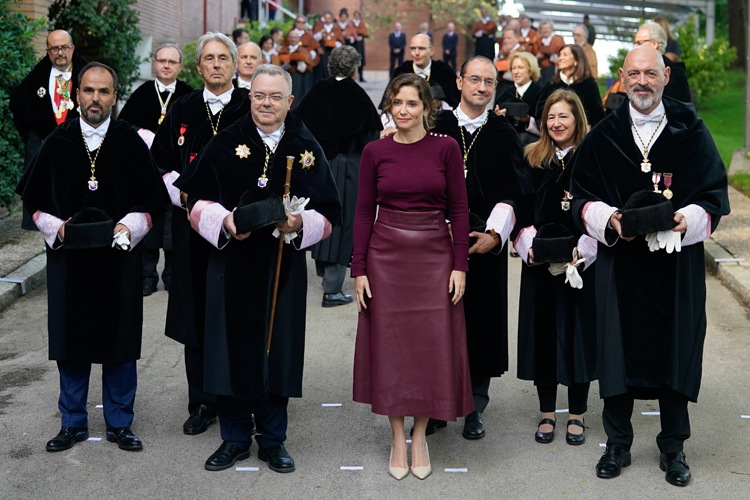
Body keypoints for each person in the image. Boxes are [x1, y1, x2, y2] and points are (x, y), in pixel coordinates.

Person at [568, 45, 730, 487]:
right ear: (622, 77)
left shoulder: (690, 130)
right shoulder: (604, 134)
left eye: (650, 74)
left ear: (666, 76)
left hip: (676, 268)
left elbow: (714, 196)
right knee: (616, 351)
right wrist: (611, 218)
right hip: (622, 266)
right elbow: (579, 196)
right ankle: (617, 444)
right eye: (634, 74)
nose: (642, 82)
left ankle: (673, 447)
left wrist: (687, 219)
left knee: (676, 349)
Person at [174, 63, 341, 473]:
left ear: (290, 100)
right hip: (230, 263)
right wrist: (225, 221)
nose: (266, 103)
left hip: (281, 267)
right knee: (228, 351)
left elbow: (332, 211)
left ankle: (272, 439)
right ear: (250, 98)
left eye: (275, 97)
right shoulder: (227, 139)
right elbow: (192, 199)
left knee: (277, 349)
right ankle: (233, 438)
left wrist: (301, 223)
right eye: (259, 96)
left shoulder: (306, 146)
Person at [15, 62, 166, 453]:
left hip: (119, 259)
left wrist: (129, 227)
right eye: (88, 91)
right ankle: (72, 422)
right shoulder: (57, 140)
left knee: (119, 340)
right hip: (71, 260)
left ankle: (120, 422)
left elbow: (152, 202)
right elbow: (33, 201)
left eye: (103, 92)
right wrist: (57, 228)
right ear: (76, 95)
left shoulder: (130, 141)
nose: (95, 98)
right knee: (72, 341)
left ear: (115, 97)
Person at [352, 73, 473, 480]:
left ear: (427, 108)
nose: (403, 111)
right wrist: (359, 269)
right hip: (385, 258)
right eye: (396, 103)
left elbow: (459, 209)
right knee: (391, 347)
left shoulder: (447, 149)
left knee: (429, 346)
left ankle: (420, 436)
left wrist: (460, 265)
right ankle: (396, 435)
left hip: (436, 257)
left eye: (411, 104)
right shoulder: (374, 151)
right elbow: (363, 211)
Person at [150, 32, 251, 437]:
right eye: (208, 58)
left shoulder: (250, 105)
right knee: (198, 315)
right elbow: (161, 164)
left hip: (241, 231)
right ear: (198, 67)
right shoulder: (182, 108)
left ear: (234, 63)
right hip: (192, 231)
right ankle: (202, 401)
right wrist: (188, 199)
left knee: (241, 314)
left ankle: (245, 397)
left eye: (222, 57)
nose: (215, 64)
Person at [432, 56, 533, 440]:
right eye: (474, 80)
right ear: (459, 82)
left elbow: (515, 192)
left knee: (480, 323)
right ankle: (437, 406)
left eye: (489, 82)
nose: (481, 88)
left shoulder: (503, 132)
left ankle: (475, 404)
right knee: (437, 324)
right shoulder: (435, 126)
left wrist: (494, 235)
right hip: (436, 243)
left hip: (483, 244)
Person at [514, 89, 597, 446]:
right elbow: (518, 210)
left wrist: (586, 249)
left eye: (564, 116)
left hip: (581, 265)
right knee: (543, 335)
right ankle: (548, 412)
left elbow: (601, 207)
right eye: (551, 117)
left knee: (579, 335)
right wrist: (527, 245)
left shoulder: (593, 158)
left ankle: (577, 413)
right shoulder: (531, 158)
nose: (557, 123)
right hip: (540, 263)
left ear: (577, 119)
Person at [295, 46, 381, 308]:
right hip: (347, 169)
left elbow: (298, 125)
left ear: (331, 65)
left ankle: (325, 274)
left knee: (319, 216)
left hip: (317, 166)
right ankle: (332, 289)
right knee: (343, 224)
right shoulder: (357, 94)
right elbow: (370, 138)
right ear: (355, 67)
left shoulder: (317, 90)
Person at [118, 44, 193, 296]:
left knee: (174, 220)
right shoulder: (142, 93)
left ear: (180, 66)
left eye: (172, 62)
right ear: (155, 63)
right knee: (149, 216)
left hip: (176, 168)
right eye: (162, 60)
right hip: (146, 168)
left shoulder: (187, 94)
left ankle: (171, 274)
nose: (166, 65)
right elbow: (124, 126)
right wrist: (141, 132)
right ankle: (147, 275)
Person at [10, 29, 87, 230]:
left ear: (72, 49)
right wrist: (34, 135)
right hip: (43, 146)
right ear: (47, 50)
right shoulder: (38, 76)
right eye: (54, 48)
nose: (59, 53)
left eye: (63, 48)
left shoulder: (87, 73)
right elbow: (19, 106)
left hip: (78, 146)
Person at [534, 44, 604, 127]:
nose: (560, 58)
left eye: (565, 55)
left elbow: (597, 116)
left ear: (576, 60)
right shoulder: (551, 84)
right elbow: (537, 111)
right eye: (559, 55)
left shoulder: (589, 85)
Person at [386, 34, 460, 109]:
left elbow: (456, 105)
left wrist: (440, 104)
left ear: (431, 51)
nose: (417, 53)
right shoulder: (401, 71)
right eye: (413, 48)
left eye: (421, 48)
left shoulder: (445, 72)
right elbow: (388, 104)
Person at [634, 23, 691, 103]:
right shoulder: (634, 69)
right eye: (634, 43)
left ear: (654, 44)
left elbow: (681, 109)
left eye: (639, 43)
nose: (635, 47)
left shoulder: (674, 73)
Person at [494, 52, 543, 145]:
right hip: (508, 143)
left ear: (530, 70)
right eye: (513, 68)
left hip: (534, 143)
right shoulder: (505, 94)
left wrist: (530, 120)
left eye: (520, 67)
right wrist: (499, 117)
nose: (516, 72)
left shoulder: (540, 93)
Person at [278, 31, 315, 106]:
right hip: (285, 76)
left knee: (297, 97)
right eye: (291, 37)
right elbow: (279, 64)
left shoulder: (304, 51)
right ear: (288, 38)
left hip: (299, 77)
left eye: (295, 37)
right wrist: (287, 63)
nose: (293, 39)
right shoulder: (283, 50)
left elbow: (308, 67)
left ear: (299, 39)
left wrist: (299, 61)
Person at [313, 10, 345, 80]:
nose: (327, 20)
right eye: (326, 18)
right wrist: (320, 34)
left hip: (332, 51)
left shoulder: (336, 29)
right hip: (322, 51)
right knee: (322, 69)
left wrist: (334, 43)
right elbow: (314, 39)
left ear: (332, 19)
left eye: (329, 18)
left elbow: (341, 41)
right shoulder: (319, 27)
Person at [536, 20, 565, 86]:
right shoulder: (538, 41)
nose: (545, 30)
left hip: (554, 69)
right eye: (543, 28)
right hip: (540, 69)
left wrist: (555, 58)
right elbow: (533, 55)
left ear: (552, 28)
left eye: (547, 28)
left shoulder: (558, 40)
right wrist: (538, 57)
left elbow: (563, 55)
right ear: (540, 29)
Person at [352, 10, 369, 81]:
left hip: (360, 43)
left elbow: (364, 32)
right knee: (353, 59)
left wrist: (356, 31)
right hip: (353, 43)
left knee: (360, 59)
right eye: (355, 15)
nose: (356, 16)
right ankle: (352, 76)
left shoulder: (361, 23)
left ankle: (361, 76)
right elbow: (351, 31)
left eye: (358, 15)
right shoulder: (351, 23)